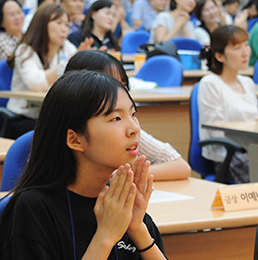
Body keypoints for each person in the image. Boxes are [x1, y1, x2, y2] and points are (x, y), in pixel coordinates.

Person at [0, 70, 187, 260]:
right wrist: (106, 236)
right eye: (115, 119)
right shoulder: (33, 209)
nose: (134, 129)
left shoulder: (121, 202)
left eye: (132, 114)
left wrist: (138, 230)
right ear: (75, 140)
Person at [65, 50, 192, 181]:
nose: (120, 92)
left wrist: (124, 176)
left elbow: (180, 166)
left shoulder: (128, 130)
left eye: (123, 85)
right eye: (109, 83)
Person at [198, 25, 258, 184]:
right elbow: (215, 130)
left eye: (246, 45)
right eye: (237, 48)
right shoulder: (210, 84)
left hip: (252, 148)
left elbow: (250, 120)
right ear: (219, 56)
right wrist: (253, 125)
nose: (246, 52)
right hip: (228, 155)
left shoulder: (248, 83)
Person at [5, 4, 78, 138]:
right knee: (60, 135)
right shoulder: (25, 50)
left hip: (52, 117)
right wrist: (67, 63)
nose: (64, 29)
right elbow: (36, 83)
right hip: (23, 117)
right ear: (43, 25)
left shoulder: (67, 48)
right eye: (59, 23)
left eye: (67, 25)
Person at [0, 0, 26, 66]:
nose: (17, 17)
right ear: (1, 22)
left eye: (19, 12)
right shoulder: (0, 40)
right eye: (11, 14)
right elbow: (14, 63)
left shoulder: (28, 35)